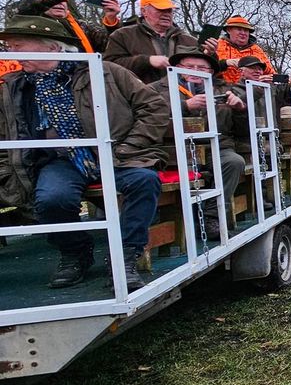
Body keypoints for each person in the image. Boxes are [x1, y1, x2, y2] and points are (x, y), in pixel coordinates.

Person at [0, 15, 168, 290]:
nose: (12, 53)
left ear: (52, 48)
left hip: (119, 153)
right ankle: (75, 253)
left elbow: (155, 107)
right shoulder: (12, 86)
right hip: (58, 159)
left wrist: (130, 145)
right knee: (53, 199)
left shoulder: (106, 72)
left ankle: (124, 257)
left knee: (144, 181)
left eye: (19, 46)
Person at [150, 51, 247, 238]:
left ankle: (212, 216)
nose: (196, 71)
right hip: (171, 153)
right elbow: (150, 116)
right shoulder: (155, 90)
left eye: (202, 68)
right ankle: (164, 220)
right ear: (176, 68)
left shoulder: (222, 90)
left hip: (215, 148)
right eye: (189, 67)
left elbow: (241, 131)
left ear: (211, 72)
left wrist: (240, 109)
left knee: (233, 162)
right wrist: (185, 106)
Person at [103, 0, 215, 84]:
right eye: (161, 10)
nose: (167, 14)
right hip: (141, 100)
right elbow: (109, 66)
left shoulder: (189, 40)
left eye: (169, 10)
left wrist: (209, 55)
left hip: (186, 100)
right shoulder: (123, 35)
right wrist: (147, 61)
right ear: (144, 11)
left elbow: (209, 73)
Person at [9, 0, 123, 54]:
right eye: (54, 0)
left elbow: (110, 47)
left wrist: (111, 20)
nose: (60, 3)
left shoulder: (81, 26)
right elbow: (22, 8)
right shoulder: (27, 24)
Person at [216, 15, 291, 87]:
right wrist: (226, 63)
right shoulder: (217, 45)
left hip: (254, 92)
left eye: (246, 30)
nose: (243, 33)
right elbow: (207, 68)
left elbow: (271, 74)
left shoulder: (257, 50)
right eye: (239, 29)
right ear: (228, 30)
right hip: (223, 90)